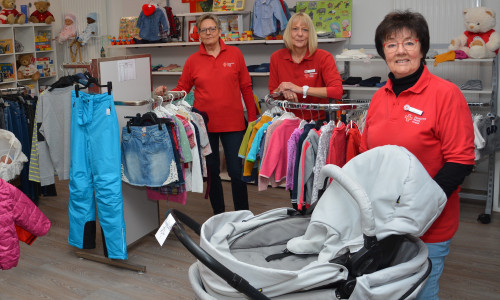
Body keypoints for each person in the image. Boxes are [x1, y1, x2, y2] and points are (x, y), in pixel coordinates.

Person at [360, 10, 475, 299]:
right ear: (382, 52)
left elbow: (459, 161)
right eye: (391, 44)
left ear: (422, 49)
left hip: (428, 227)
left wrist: (416, 210)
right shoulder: (377, 98)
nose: (400, 51)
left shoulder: (446, 94)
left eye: (409, 43)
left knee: (420, 293)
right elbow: (365, 158)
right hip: (382, 224)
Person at [155, 13, 257, 215]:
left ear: (219, 31)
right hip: (204, 126)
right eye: (203, 30)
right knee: (212, 173)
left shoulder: (235, 54)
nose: (208, 32)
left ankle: (244, 216)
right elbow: (183, 88)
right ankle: (218, 215)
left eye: (212, 29)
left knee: (236, 173)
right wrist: (167, 94)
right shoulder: (193, 60)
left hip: (234, 124)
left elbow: (246, 87)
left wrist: (253, 121)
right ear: (198, 34)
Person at [268, 12, 343, 120]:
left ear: (310, 34)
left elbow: (337, 92)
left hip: (318, 124)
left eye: (305, 30)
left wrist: (300, 89)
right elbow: (272, 93)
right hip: (286, 122)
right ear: (289, 32)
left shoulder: (324, 57)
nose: (300, 34)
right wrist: (284, 91)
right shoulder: (276, 57)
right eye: (295, 29)